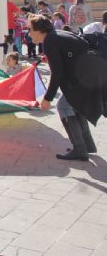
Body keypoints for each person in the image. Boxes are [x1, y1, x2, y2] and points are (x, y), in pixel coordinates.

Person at [28, 14, 106, 161]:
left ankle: (80, 149)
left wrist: (47, 98)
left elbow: (57, 73)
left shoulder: (50, 40)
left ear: (39, 30)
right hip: (90, 76)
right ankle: (86, 146)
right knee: (74, 106)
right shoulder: (56, 35)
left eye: (30, 29)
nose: (29, 33)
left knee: (63, 106)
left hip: (85, 78)